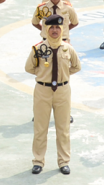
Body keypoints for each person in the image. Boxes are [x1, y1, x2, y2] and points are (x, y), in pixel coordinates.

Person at [24, 14, 81, 175]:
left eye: (57, 27)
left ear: (62, 29)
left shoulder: (67, 48)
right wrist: (43, 75)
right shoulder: (38, 49)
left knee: (63, 128)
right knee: (40, 128)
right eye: (52, 27)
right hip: (43, 90)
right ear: (46, 29)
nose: (55, 30)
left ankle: (64, 161)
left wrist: (63, 75)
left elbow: (76, 66)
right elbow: (29, 68)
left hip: (62, 91)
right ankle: (38, 161)